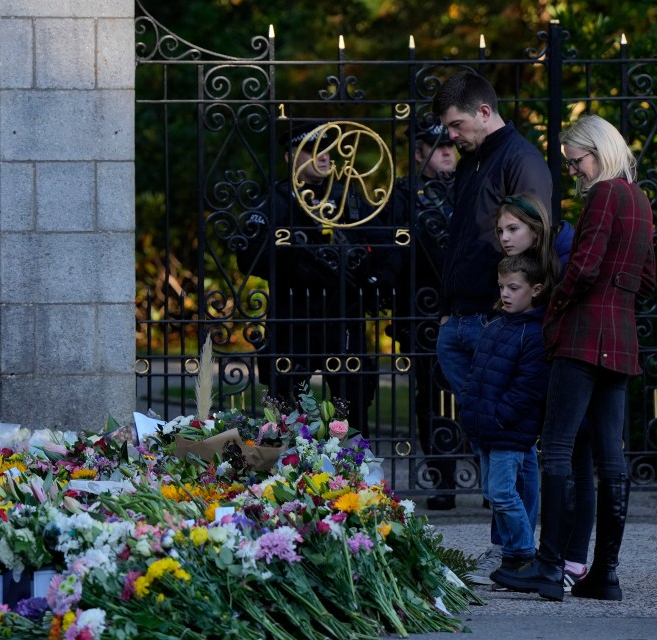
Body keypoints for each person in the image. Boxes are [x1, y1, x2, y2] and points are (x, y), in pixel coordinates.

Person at [492, 114, 657, 601]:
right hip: (621, 337)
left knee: (558, 448)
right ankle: (604, 575)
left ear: (598, 151)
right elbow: (647, 279)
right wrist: (617, 295)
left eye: (576, 161)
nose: (574, 172)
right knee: (611, 457)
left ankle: (547, 568)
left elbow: (582, 268)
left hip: (583, 335)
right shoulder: (641, 200)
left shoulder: (605, 195)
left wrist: (556, 308)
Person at [431, 71, 553, 580]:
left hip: (494, 322)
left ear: (484, 111)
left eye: (457, 124)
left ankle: (515, 552)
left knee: (510, 443)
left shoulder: (521, 160)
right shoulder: (476, 159)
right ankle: (511, 548)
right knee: (490, 436)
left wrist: (505, 313)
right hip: (459, 321)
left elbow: (530, 243)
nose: (450, 136)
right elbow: (466, 237)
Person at [236, 120, 382, 437]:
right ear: (291, 157)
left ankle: (356, 473)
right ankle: (294, 473)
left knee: (352, 400)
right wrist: (296, 262)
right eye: (314, 149)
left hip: (342, 315)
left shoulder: (350, 199)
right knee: (289, 403)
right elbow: (247, 256)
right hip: (294, 316)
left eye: (329, 149)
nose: (325, 156)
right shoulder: (276, 202)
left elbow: (378, 246)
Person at [494, 193, 593, 592]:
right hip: (556, 360)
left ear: (535, 229)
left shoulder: (562, 250)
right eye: (500, 229)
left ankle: (573, 561)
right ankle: (546, 558)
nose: (504, 237)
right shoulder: (525, 263)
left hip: (577, 359)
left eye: (513, 229)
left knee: (578, 460)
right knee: (558, 457)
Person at [460, 253, 550, 577]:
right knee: (492, 494)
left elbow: (528, 388)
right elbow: (476, 374)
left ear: (535, 289)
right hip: (485, 427)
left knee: (502, 492)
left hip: (508, 430)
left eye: (513, 287)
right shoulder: (495, 325)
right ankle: (512, 554)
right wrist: (470, 413)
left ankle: (524, 553)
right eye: (502, 287)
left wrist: (499, 417)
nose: (505, 294)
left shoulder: (533, 334)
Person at [387, 121, 458, 510]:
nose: (447, 151)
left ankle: (484, 479)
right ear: (419, 153)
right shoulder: (403, 194)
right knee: (431, 395)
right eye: (437, 145)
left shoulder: (468, 184)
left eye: (450, 144)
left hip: (469, 306)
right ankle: (443, 477)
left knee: (475, 392)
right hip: (421, 310)